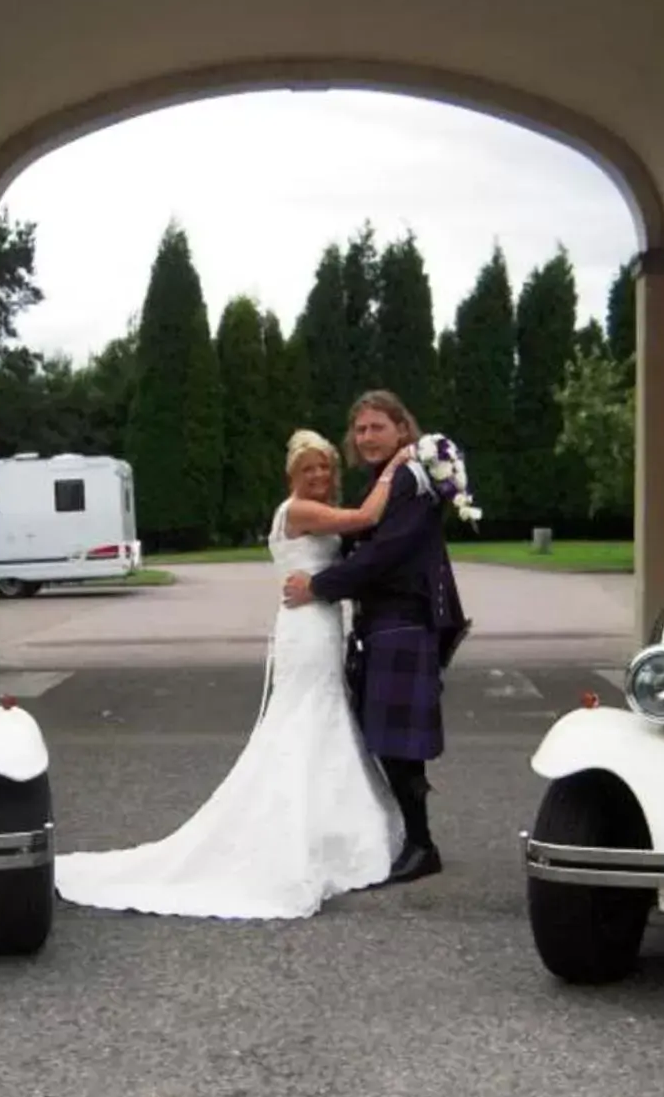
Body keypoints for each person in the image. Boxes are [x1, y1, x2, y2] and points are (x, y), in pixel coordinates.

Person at [53, 429, 409, 919]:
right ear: (292, 476)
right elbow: (368, 517)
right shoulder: (299, 511)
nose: (320, 475)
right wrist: (398, 466)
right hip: (307, 627)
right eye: (310, 468)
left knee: (322, 716)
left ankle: (329, 830)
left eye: (326, 466)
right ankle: (295, 835)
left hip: (321, 622)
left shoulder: (309, 510)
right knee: (303, 719)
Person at [283, 390, 467, 883]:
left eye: (376, 428)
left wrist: (319, 585)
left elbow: (385, 552)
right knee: (387, 739)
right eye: (360, 430)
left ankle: (422, 845)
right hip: (383, 623)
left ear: (401, 430)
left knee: (397, 743)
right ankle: (412, 838)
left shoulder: (410, 477)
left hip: (403, 620)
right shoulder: (392, 478)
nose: (366, 438)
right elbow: (363, 535)